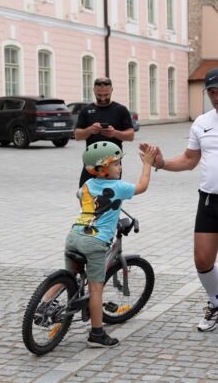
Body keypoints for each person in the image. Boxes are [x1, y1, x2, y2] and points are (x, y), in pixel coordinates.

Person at [142, 67, 218, 349]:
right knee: (202, 261)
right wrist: (160, 163)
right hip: (209, 200)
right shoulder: (201, 122)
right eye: (211, 92)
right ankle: (217, 304)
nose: (217, 97)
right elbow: (189, 159)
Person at [54, 141, 155, 347]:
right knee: (96, 289)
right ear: (102, 169)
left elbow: (80, 196)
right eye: (116, 164)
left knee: (69, 275)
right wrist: (147, 163)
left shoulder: (87, 185)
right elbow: (142, 186)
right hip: (95, 243)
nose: (120, 167)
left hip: (74, 236)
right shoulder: (118, 187)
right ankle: (97, 334)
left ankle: (45, 304)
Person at [75, 77, 135, 187]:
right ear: (93, 90)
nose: (102, 98)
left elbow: (130, 136)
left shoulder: (121, 110)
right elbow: (77, 136)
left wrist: (115, 133)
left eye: (106, 95)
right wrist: (90, 130)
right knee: (85, 195)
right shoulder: (86, 110)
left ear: (112, 90)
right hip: (91, 162)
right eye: (99, 95)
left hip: (113, 164)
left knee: (111, 198)